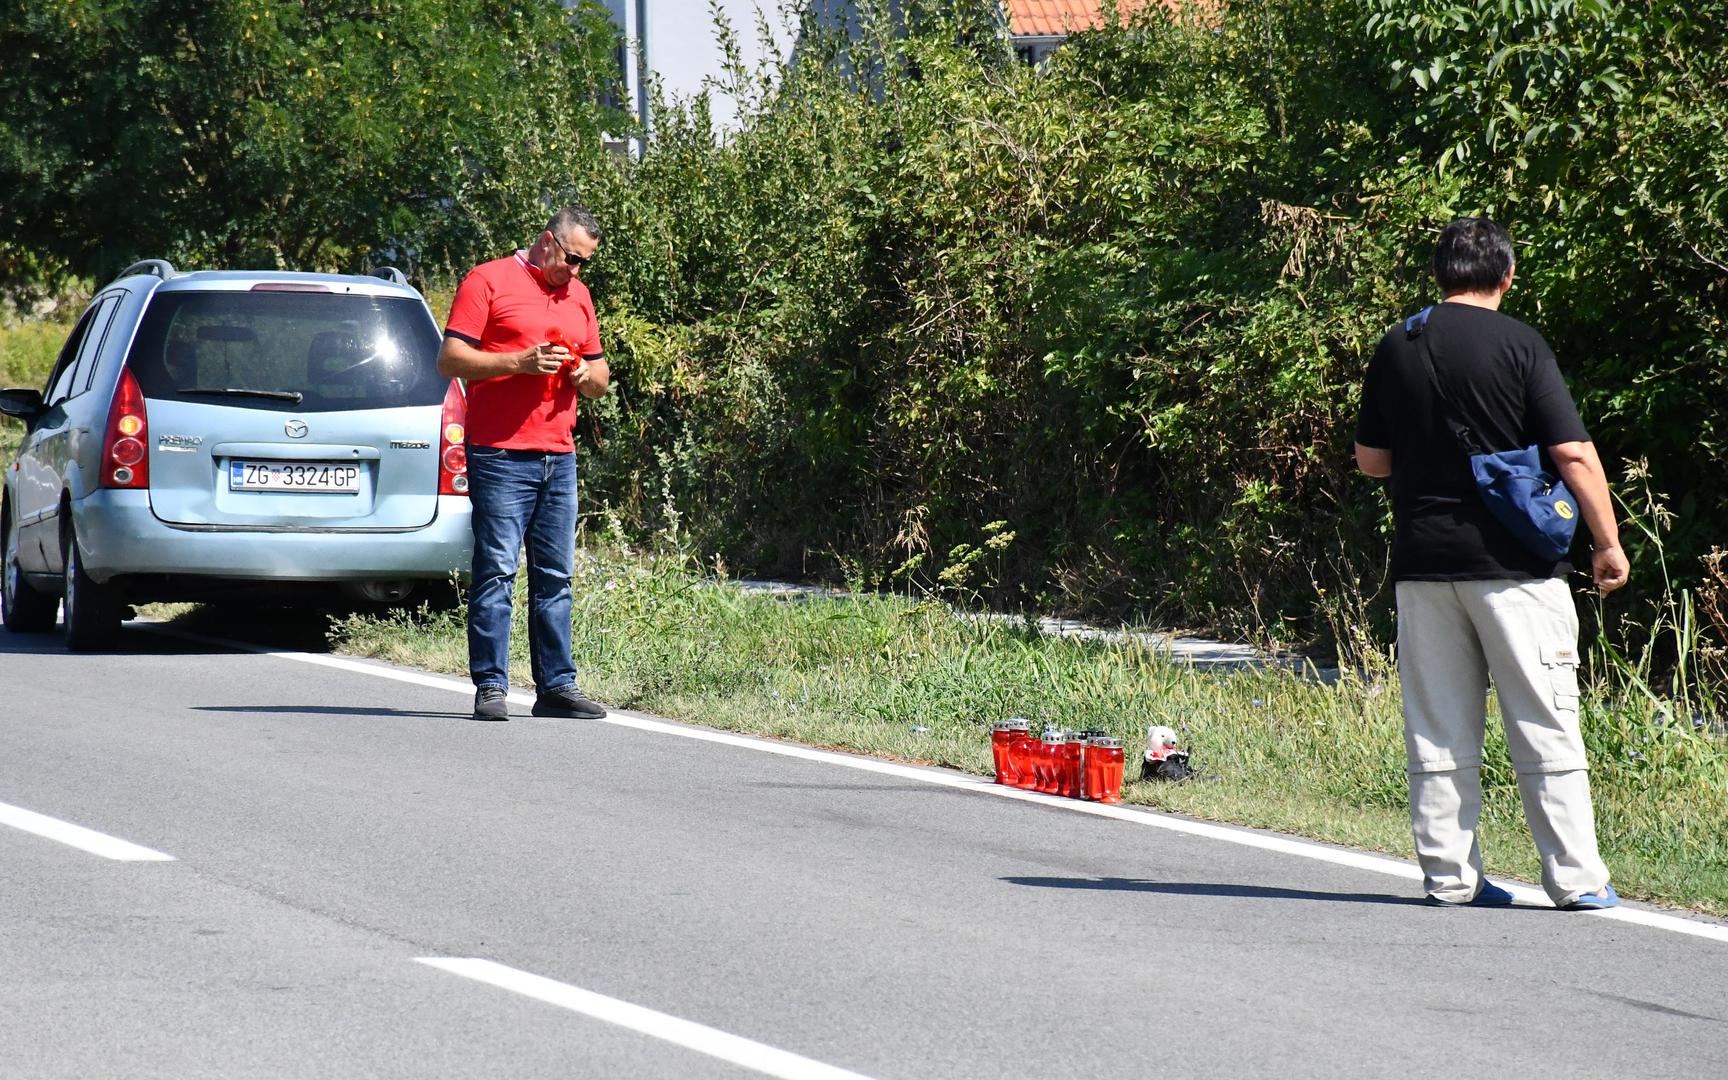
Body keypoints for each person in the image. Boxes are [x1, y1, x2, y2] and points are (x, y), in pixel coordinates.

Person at [1353, 216, 1629, 910]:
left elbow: (1371, 462)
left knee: (1439, 726)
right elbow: (1571, 454)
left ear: (1439, 275)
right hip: (1515, 571)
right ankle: (1574, 878)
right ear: (1507, 274)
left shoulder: (1397, 345)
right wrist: (1606, 541)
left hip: (1422, 564)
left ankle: (1450, 878)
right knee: (1543, 717)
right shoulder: (1520, 344)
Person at [438, 207, 611, 722]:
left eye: (585, 263)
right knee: (495, 570)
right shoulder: (487, 280)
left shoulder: (578, 296)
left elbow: (601, 378)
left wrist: (581, 372)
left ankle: (556, 686)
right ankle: (491, 685)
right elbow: (449, 359)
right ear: (547, 242)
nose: (576, 272)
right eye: (572, 259)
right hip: (499, 452)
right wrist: (519, 362)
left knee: (555, 574)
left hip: (558, 454)